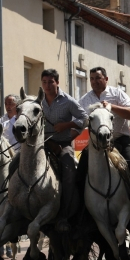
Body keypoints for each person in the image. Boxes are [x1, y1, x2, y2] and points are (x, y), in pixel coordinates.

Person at [77, 66, 130, 225]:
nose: (94, 81)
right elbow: (79, 121)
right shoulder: (85, 100)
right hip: (95, 144)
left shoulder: (117, 93)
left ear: (106, 79)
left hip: (120, 140)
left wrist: (111, 106)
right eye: (92, 78)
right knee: (79, 174)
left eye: (98, 78)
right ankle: (82, 214)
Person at [41, 69, 88, 231]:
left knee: (69, 173)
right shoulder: (37, 102)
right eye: (44, 82)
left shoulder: (68, 101)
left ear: (57, 82)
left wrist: (67, 126)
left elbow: (84, 118)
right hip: (41, 144)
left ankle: (65, 215)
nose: (47, 85)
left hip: (62, 145)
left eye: (50, 82)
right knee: (16, 164)